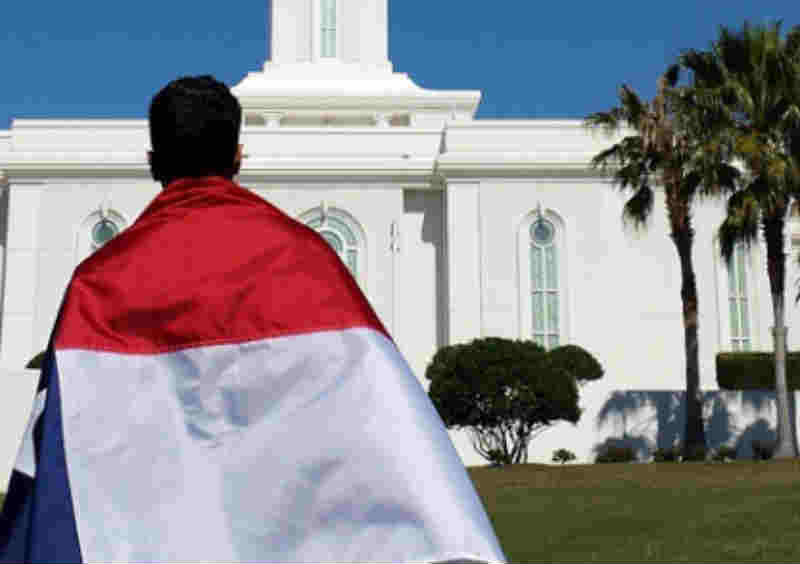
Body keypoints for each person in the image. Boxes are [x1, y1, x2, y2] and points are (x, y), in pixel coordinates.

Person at [0, 75, 506, 563]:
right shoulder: (307, 263)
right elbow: (390, 437)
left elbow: (53, 459)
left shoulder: (98, 283)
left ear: (153, 161)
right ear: (239, 156)